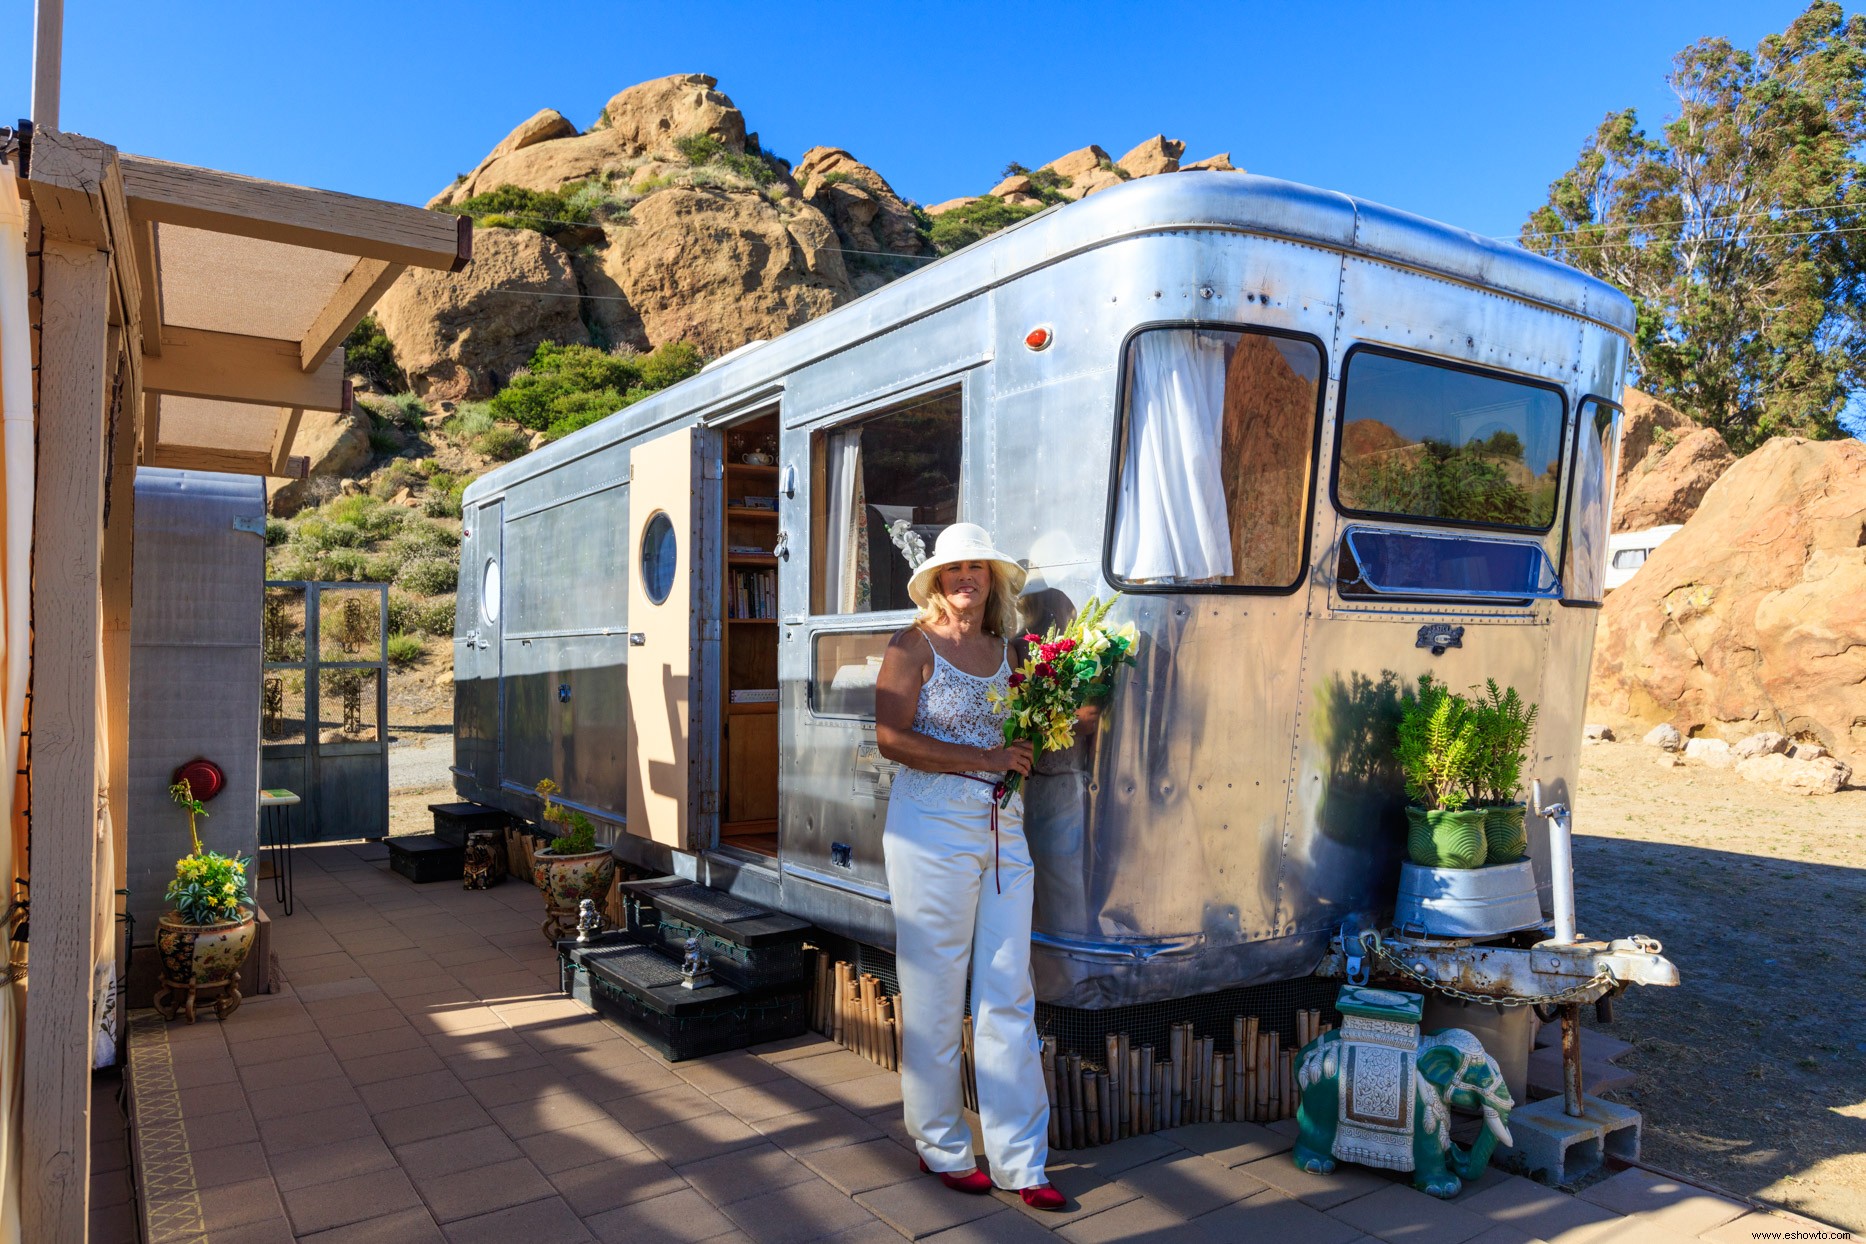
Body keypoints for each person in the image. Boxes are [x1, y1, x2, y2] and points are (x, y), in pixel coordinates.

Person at [874, 523, 1066, 1211]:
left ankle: (1023, 1162)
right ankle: (941, 1145)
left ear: (992, 580)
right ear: (936, 581)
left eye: (976, 570)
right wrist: (985, 759)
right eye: (954, 571)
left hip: (1002, 832)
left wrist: (1049, 726)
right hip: (930, 833)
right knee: (933, 993)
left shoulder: (1010, 651)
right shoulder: (913, 644)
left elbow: (1023, 736)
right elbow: (892, 738)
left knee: (1008, 992)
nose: (965, 580)